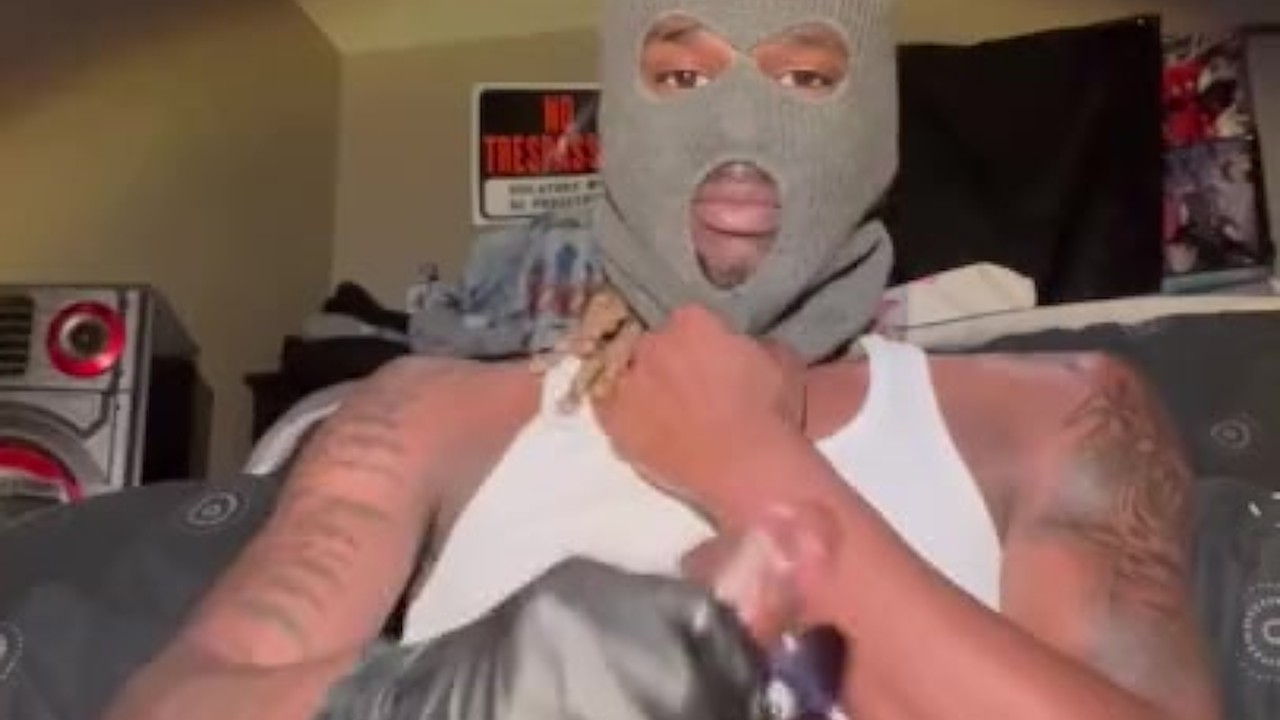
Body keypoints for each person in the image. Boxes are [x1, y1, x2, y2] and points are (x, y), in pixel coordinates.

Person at [112, 0, 1222, 719]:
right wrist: (448, 699)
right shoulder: (433, 411)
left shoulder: (1057, 414)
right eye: (681, 78)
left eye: (803, 78)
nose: (737, 139)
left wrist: (745, 462)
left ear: (878, 130)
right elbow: (176, 701)